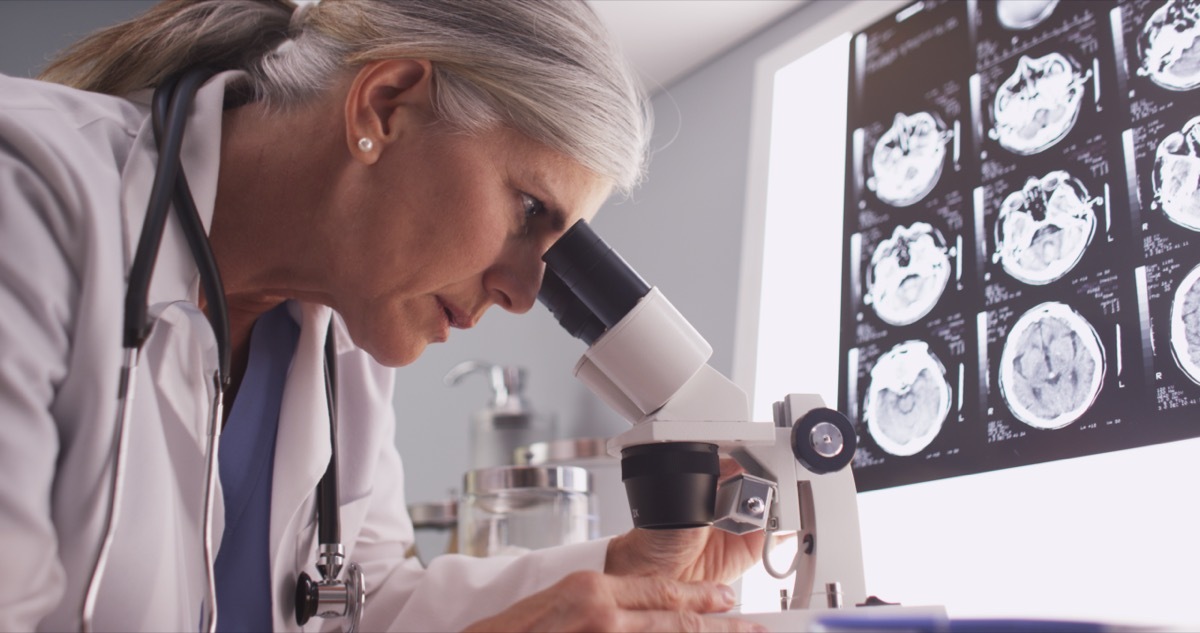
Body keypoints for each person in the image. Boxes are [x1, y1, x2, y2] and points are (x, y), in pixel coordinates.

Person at [0, 0, 767, 631]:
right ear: (385, 103)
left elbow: (366, 605)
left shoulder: (338, 337)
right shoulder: (25, 195)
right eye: (529, 209)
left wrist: (625, 572)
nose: (524, 294)